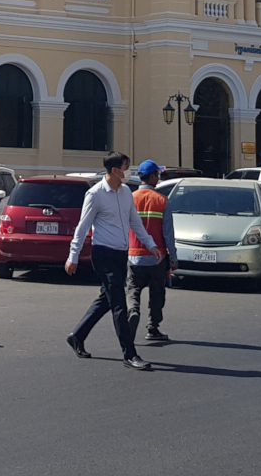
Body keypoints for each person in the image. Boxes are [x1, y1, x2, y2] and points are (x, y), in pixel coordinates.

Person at [66, 152, 164, 371]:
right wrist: (73, 256)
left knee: (106, 298)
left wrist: (151, 245)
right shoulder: (95, 194)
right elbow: (82, 227)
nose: (129, 171)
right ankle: (129, 354)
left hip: (122, 254)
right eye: (126, 167)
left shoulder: (126, 193)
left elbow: (135, 222)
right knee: (119, 302)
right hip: (103, 255)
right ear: (114, 170)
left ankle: (77, 335)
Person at [126, 160, 176, 345]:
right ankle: (152, 328)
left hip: (134, 255)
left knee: (133, 289)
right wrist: (174, 258)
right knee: (157, 293)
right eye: (158, 174)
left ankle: (133, 311)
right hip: (158, 258)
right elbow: (168, 233)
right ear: (153, 176)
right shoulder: (162, 200)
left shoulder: (130, 198)